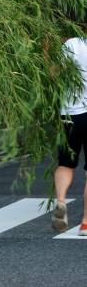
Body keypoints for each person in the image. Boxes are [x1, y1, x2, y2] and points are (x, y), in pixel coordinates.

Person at [52, 34, 87, 235]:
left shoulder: (72, 44)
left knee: (65, 163)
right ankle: (85, 223)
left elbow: (54, 73)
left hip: (69, 114)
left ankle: (61, 202)